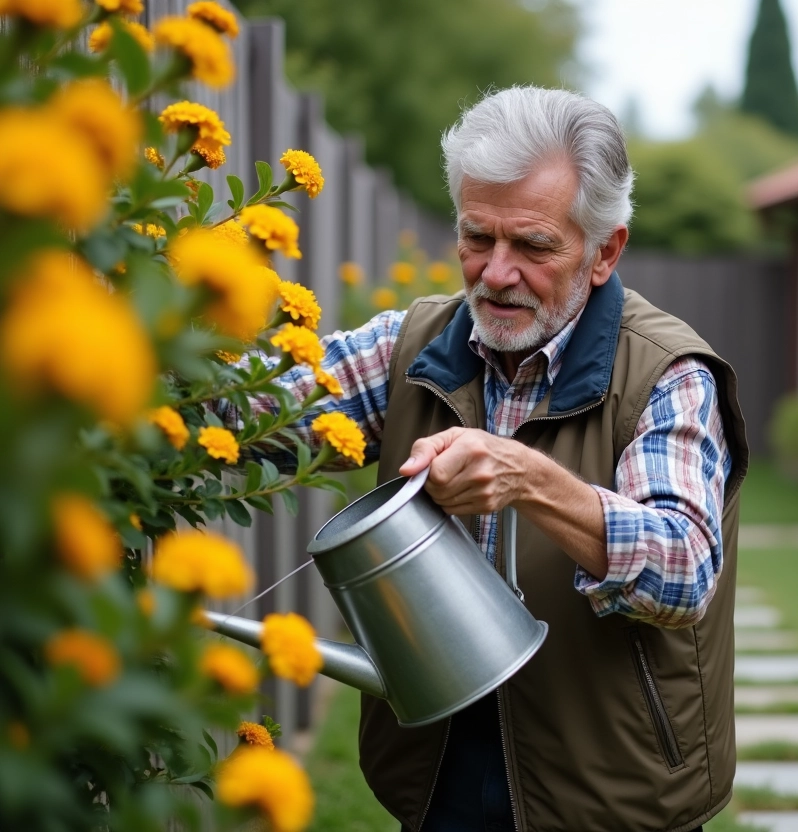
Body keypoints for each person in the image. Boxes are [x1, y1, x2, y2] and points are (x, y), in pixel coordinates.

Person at [236, 87, 748, 832]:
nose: (496, 273)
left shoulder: (665, 374)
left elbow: (684, 570)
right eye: (478, 237)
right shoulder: (411, 347)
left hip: (611, 793)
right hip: (437, 775)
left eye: (533, 246)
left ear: (605, 250)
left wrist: (531, 480)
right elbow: (257, 418)